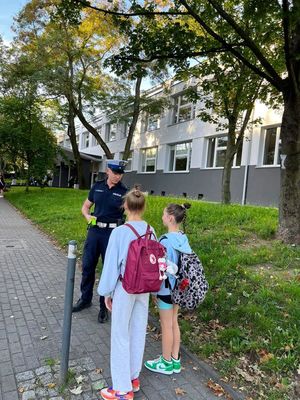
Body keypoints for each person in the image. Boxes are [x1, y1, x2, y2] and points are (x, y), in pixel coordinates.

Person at [98, 187, 154, 400]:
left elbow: (111, 265)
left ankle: (122, 389)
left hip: (125, 287)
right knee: (138, 331)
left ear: (125, 207)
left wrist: (106, 292)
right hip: (145, 287)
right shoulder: (151, 229)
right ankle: (133, 378)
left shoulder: (120, 232)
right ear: (143, 207)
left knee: (120, 334)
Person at [72, 160, 128, 323]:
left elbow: (131, 213)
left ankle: (104, 307)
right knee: (88, 266)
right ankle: (85, 299)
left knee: (108, 270)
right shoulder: (97, 186)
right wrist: (87, 216)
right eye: (115, 173)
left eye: (120, 174)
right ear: (107, 171)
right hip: (95, 232)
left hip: (112, 234)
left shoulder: (124, 192)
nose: (118, 176)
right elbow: (86, 206)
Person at [144, 203, 192, 375]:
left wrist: (153, 291)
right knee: (174, 322)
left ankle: (165, 363)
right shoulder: (183, 238)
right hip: (180, 287)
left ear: (171, 218)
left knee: (166, 325)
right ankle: (175, 360)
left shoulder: (165, 240)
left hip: (165, 289)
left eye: (164, 214)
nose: (162, 216)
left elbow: (159, 266)